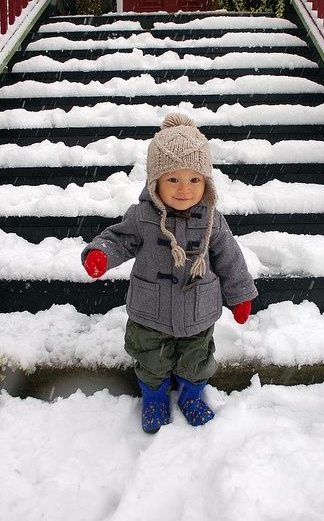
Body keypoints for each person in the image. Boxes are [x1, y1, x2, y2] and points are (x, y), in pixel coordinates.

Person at [81, 113, 258, 433]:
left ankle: (191, 396)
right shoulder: (142, 216)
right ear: (155, 181)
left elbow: (230, 258)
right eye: (173, 179)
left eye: (194, 179)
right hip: (150, 312)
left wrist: (240, 295)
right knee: (150, 359)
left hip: (198, 311)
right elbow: (118, 239)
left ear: (206, 182)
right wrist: (101, 255)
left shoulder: (212, 221)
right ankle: (155, 397)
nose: (184, 189)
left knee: (197, 359)